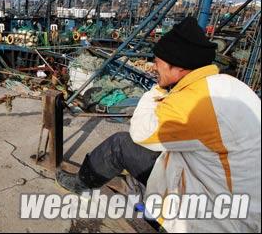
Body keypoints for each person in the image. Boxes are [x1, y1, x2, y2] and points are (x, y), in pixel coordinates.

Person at [56, 17, 261, 232]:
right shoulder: (231, 85)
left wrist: (158, 89)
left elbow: (140, 133)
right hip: (244, 203)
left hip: (217, 218)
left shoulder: (193, 103)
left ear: (177, 67)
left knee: (121, 144)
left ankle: (83, 184)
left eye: (158, 62)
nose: (154, 67)